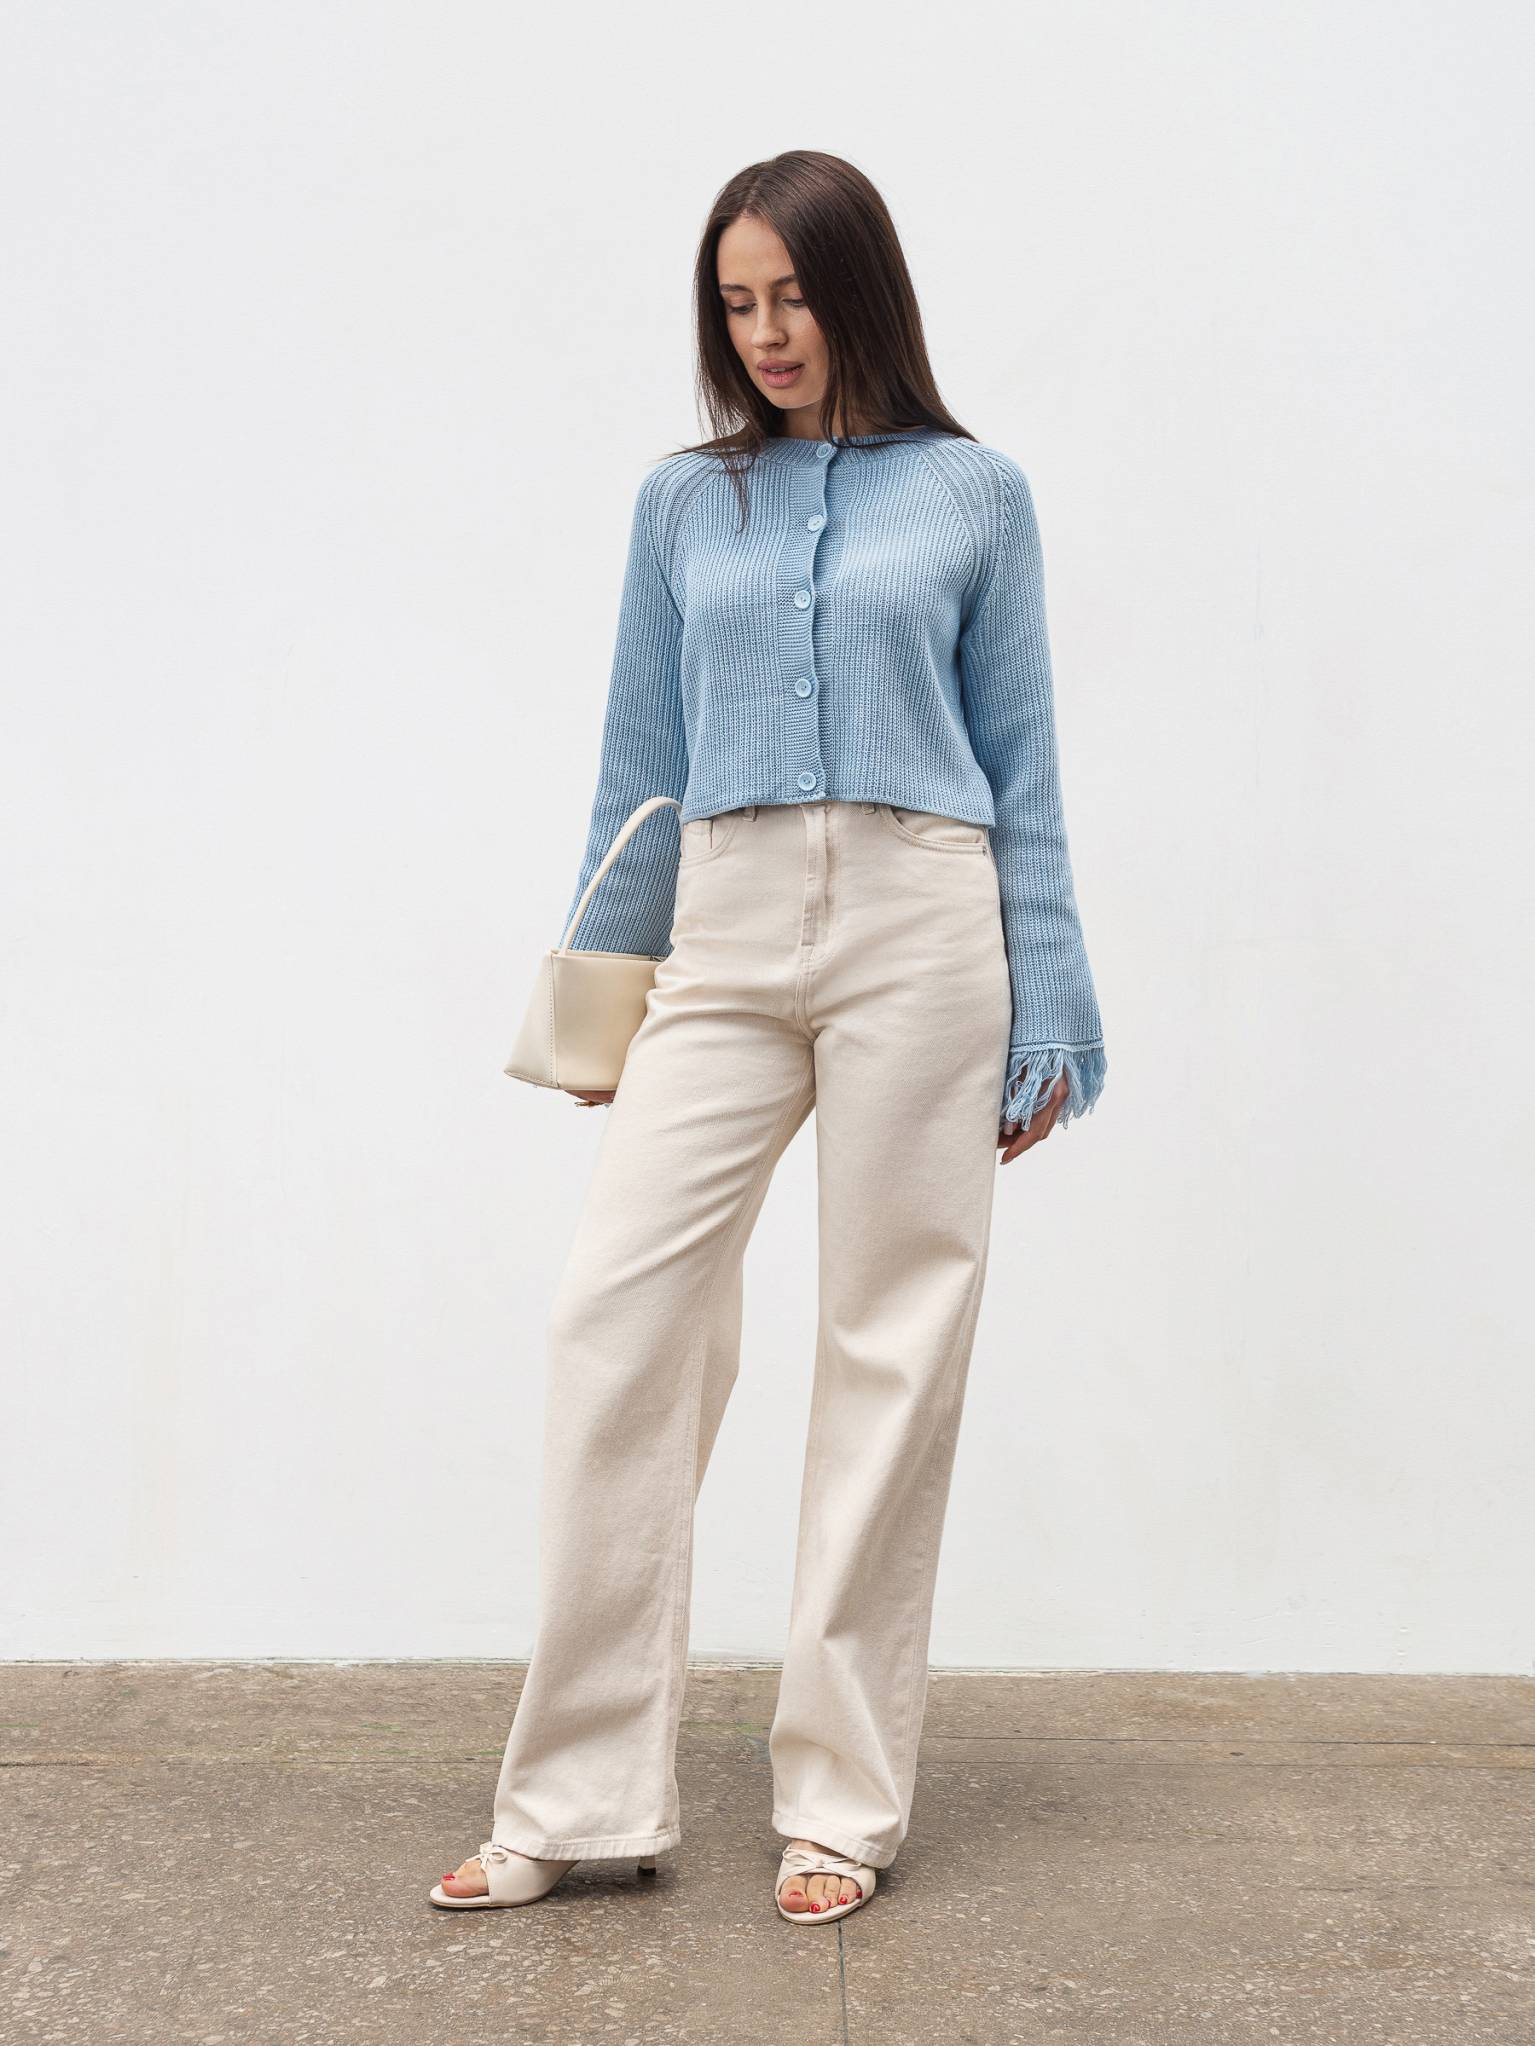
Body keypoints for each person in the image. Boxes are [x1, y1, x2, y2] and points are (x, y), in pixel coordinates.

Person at [431, 148, 1106, 1925]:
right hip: (722, 927)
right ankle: (578, 1797)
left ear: (859, 288)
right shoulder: (684, 504)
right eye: (736, 304)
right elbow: (637, 768)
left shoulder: (978, 494)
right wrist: (605, 986)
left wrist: (1053, 997)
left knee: (891, 1342)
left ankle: (841, 1804)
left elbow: (1024, 766)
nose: (767, 332)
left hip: (924, 920)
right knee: (616, 1318)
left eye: (794, 295)